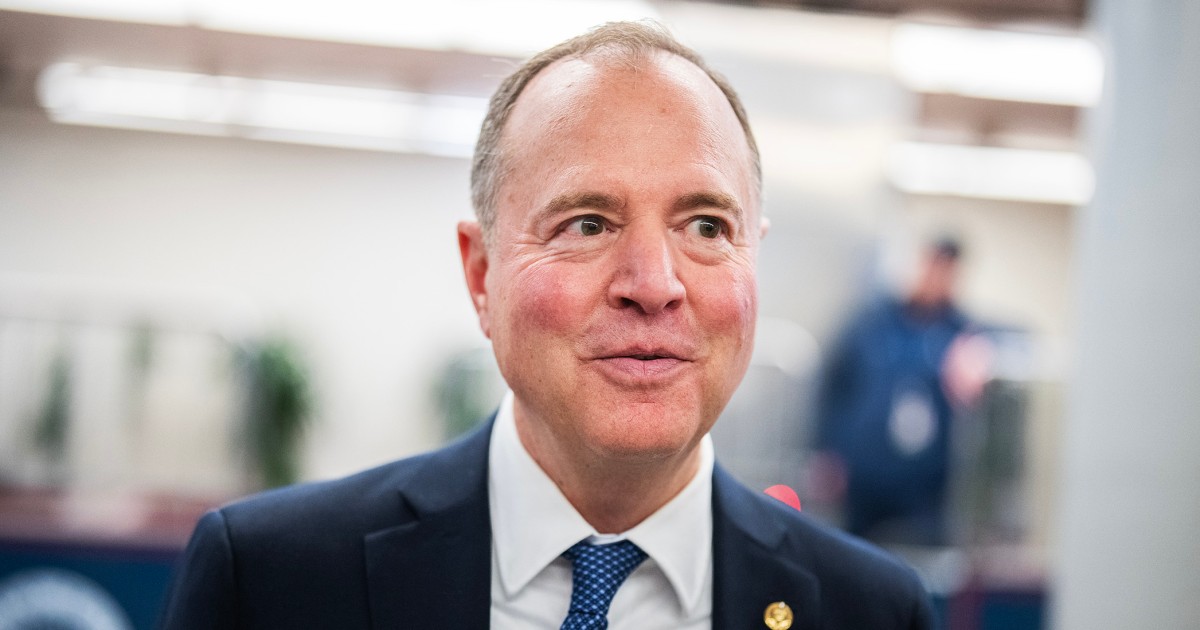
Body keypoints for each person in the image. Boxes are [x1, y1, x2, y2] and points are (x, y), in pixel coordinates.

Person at [160, 21, 934, 629]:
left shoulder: (872, 613)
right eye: (587, 223)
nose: (654, 286)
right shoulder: (270, 581)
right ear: (481, 276)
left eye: (706, 227)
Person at [811, 238, 989, 546]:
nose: (936, 279)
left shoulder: (962, 335)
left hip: (927, 486)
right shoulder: (872, 322)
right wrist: (826, 452)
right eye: (933, 267)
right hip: (865, 476)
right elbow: (832, 386)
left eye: (947, 271)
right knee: (852, 554)